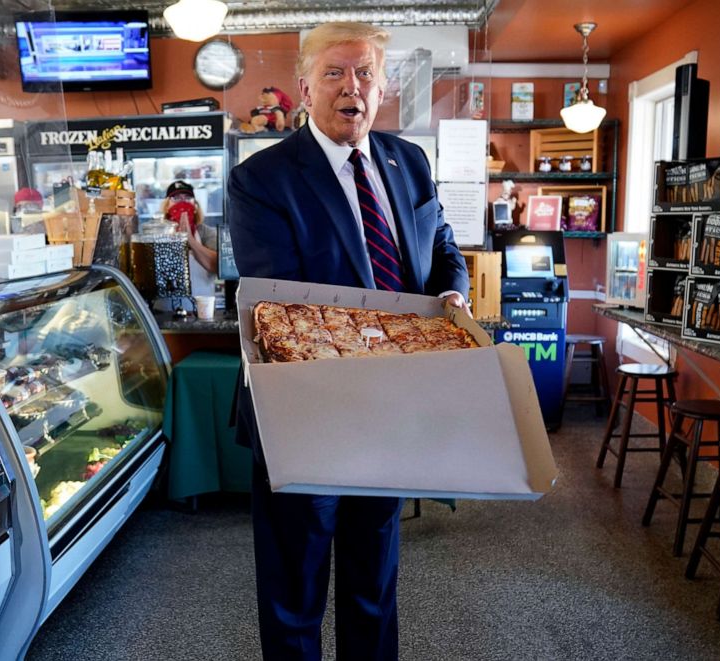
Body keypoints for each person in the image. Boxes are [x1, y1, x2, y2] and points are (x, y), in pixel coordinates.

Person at [227, 22, 468, 660]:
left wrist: (454, 294)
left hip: (390, 411)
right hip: (303, 410)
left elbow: (442, 247)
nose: (350, 87)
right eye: (334, 73)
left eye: (364, 73)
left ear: (382, 88)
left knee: (373, 582)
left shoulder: (408, 161)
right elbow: (283, 304)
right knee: (294, 592)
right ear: (305, 87)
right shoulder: (262, 179)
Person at [159, 180, 218, 309]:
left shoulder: (206, 233)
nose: (182, 202)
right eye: (176, 198)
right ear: (167, 206)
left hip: (202, 308)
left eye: (188, 198)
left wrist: (189, 239)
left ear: (196, 206)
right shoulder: (157, 233)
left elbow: (216, 265)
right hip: (165, 310)